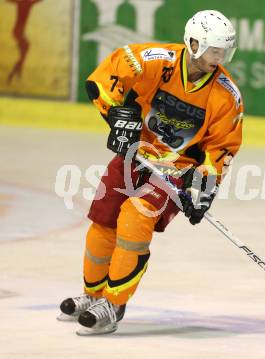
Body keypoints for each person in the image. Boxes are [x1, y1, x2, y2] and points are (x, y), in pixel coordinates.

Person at [57, 9, 244, 335]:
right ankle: (93, 295)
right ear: (193, 42)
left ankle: (113, 305)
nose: (218, 58)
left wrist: (205, 186)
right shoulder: (157, 60)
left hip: (176, 170)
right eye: (213, 50)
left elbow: (223, 148)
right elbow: (106, 77)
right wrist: (116, 115)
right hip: (135, 153)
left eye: (223, 52)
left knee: (135, 216)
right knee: (103, 221)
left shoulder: (226, 95)